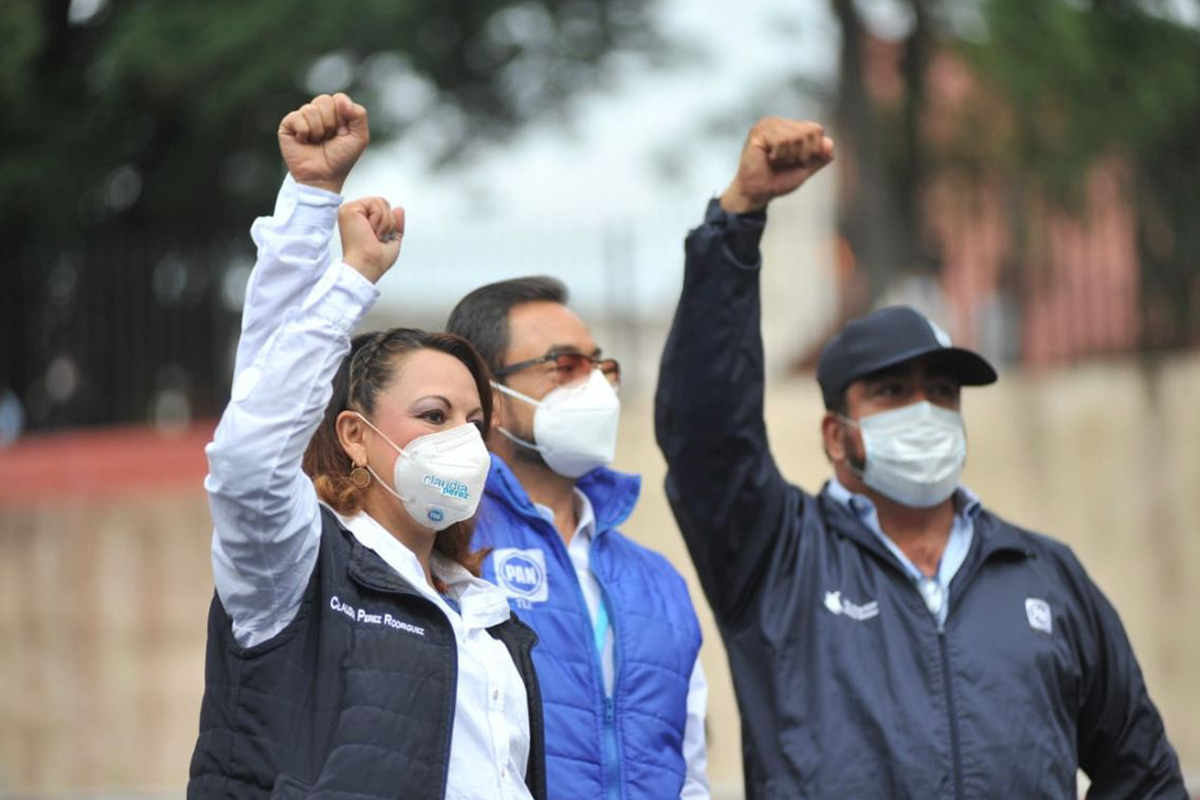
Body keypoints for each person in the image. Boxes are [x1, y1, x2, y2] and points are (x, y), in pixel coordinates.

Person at [654, 116, 1188, 799]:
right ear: (835, 434)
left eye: (942, 391)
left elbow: (1142, 773)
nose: (925, 409)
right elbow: (706, 427)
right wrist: (738, 219)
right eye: (891, 392)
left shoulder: (1045, 576)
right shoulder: (777, 556)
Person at [188, 93, 545, 800]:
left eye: (475, 422)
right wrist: (324, 232)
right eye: (434, 415)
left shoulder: (489, 615)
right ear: (354, 434)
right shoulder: (296, 566)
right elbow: (252, 443)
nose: (464, 443)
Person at [445, 279, 710, 800]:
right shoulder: (448, 549)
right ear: (488, 398)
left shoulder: (656, 580)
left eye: (601, 367)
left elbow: (690, 771)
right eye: (565, 367)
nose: (595, 387)